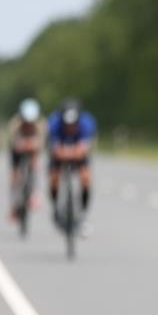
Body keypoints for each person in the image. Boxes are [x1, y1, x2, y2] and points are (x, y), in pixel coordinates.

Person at [47, 99, 97, 234]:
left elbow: (85, 148)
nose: (70, 127)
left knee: (86, 179)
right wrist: (65, 152)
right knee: (54, 178)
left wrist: (72, 152)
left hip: (77, 153)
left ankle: (83, 214)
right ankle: (55, 207)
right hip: (61, 153)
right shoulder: (54, 123)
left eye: (73, 124)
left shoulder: (86, 123)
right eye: (67, 124)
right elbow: (55, 149)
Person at [8, 98, 44, 220]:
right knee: (15, 175)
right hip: (18, 150)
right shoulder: (15, 123)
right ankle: (14, 204)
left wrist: (33, 145)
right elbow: (13, 141)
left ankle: (35, 194)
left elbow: (41, 142)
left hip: (33, 149)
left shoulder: (40, 124)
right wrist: (21, 145)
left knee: (35, 164)